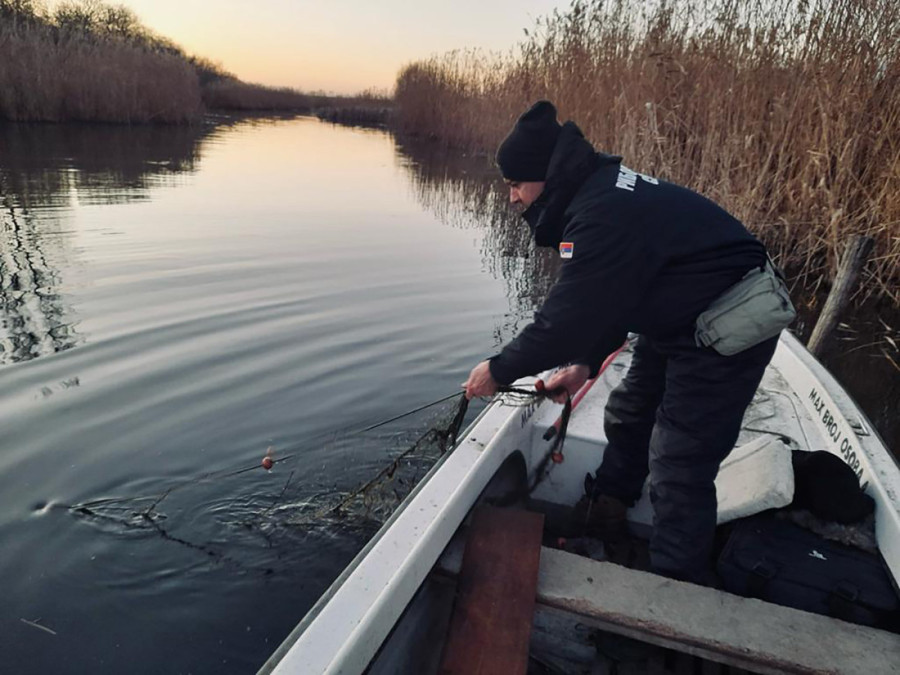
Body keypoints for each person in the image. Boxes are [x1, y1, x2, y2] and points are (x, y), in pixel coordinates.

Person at [463, 100, 794, 585]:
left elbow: (566, 318)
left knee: (678, 461)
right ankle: (607, 513)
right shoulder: (593, 195)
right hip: (680, 313)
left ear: (543, 177)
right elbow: (614, 294)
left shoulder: (600, 213)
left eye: (515, 185)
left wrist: (498, 368)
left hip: (729, 316)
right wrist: (586, 363)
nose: (511, 198)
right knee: (630, 410)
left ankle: (675, 592)